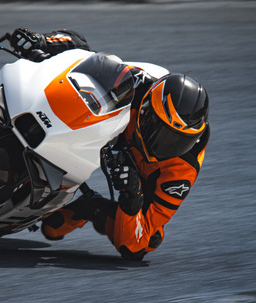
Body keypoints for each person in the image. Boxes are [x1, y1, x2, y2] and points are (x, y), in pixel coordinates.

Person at [12, 28, 209, 261]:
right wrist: (44, 42)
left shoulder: (181, 172)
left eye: (178, 141)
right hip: (118, 130)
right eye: (164, 134)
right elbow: (84, 53)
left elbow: (136, 243)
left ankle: (92, 207)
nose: (167, 146)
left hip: (140, 178)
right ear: (147, 111)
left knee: (146, 244)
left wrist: (132, 194)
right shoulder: (138, 84)